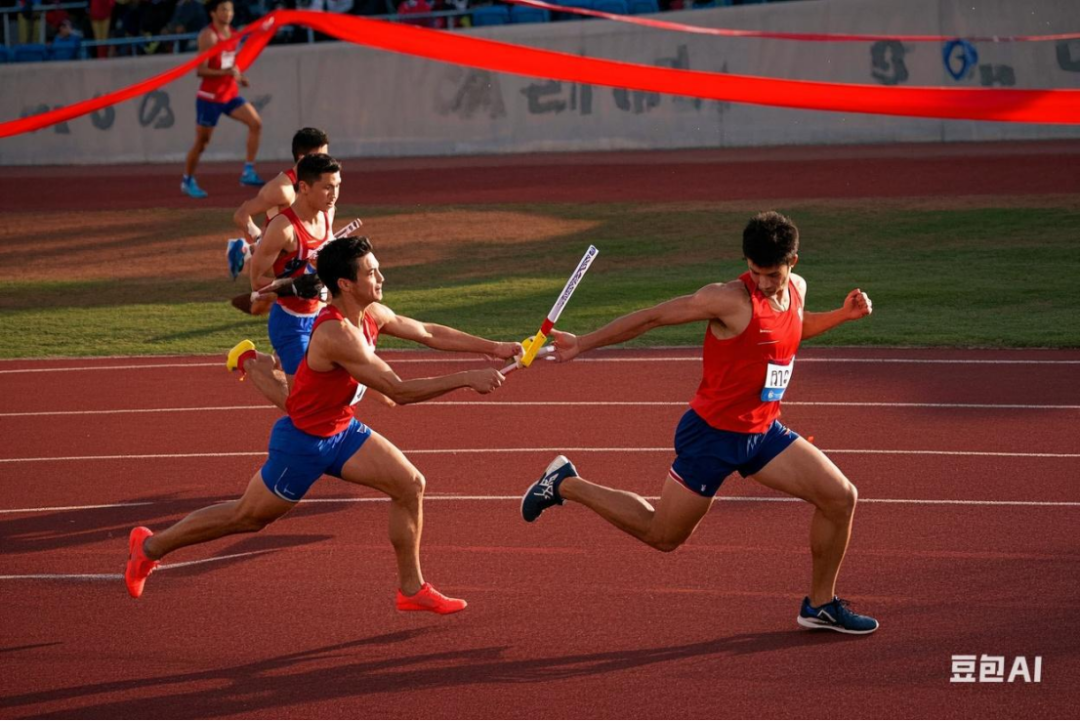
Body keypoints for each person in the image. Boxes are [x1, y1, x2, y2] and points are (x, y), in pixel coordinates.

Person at [520, 211, 880, 635]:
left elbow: (792, 330)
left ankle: (820, 605)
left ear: (793, 263)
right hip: (712, 436)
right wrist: (583, 342)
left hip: (762, 431)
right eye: (755, 272)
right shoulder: (727, 300)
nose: (764, 283)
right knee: (663, 536)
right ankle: (565, 483)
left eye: (773, 275)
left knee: (840, 497)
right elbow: (653, 317)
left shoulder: (797, 289)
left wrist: (841, 315)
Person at [125, 236, 521, 612]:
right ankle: (149, 548)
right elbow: (397, 391)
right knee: (247, 517)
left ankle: (411, 590)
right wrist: (465, 378)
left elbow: (427, 332)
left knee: (409, 485)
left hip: (341, 430)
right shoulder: (337, 334)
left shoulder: (371, 314)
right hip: (304, 443)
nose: (381, 278)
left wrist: (494, 347)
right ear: (346, 284)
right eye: (371, 272)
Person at [226, 152, 340, 410]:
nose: (334, 194)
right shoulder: (283, 229)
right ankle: (248, 362)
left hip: (321, 316)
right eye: (327, 187)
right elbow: (257, 282)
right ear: (305, 187)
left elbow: (322, 254)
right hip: (291, 324)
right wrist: (294, 286)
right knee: (305, 407)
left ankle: (266, 360)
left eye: (337, 186)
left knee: (334, 385)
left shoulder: (327, 213)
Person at [181, 0, 264, 199]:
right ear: (213, 13)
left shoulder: (233, 34)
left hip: (229, 94)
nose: (228, 13)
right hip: (210, 98)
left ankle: (248, 172)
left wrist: (239, 77)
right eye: (224, 10)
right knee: (202, 143)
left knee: (256, 123)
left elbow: (230, 64)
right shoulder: (208, 36)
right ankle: (187, 180)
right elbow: (200, 70)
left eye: (231, 10)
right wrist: (225, 73)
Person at [227, 127, 330, 282]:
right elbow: (241, 214)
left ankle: (244, 250)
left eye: (326, 156)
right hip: (276, 255)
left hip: (295, 246)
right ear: (302, 158)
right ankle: (243, 250)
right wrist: (258, 239)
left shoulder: (316, 183)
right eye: (320, 157)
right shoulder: (281, 190)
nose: (325, 162)